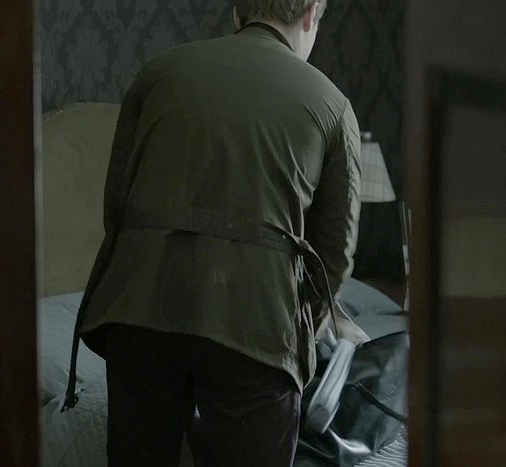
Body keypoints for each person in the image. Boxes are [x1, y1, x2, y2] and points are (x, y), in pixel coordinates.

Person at [63, 0, 361, 465]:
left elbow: (117, 210)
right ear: (311, 13)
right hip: (258, 327)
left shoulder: (157, 75)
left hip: (140, 312)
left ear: (238, 13)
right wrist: (299, 329)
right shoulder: (333, 106)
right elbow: (335, 256)